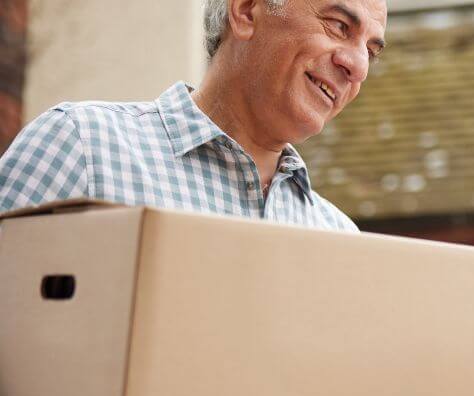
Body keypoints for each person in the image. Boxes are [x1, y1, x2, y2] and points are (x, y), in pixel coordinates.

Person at [0, 0, 388, 232]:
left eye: (370, 50)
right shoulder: (80, 146)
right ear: (247, 10)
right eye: (338, 26)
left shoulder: (339, 234)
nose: (357, 66)